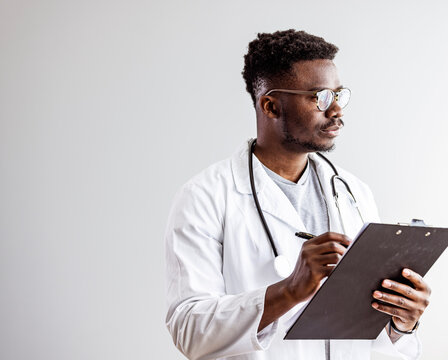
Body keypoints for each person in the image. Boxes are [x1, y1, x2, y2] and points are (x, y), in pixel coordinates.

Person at [165, 29, 431, 360]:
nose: (336, 111)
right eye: (320, 97)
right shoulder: (206, 197)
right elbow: (189, 331)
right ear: (271, 106)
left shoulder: (353, 192)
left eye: (339, 96)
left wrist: (402, 324)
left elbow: (371, 340)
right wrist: (290, 290)